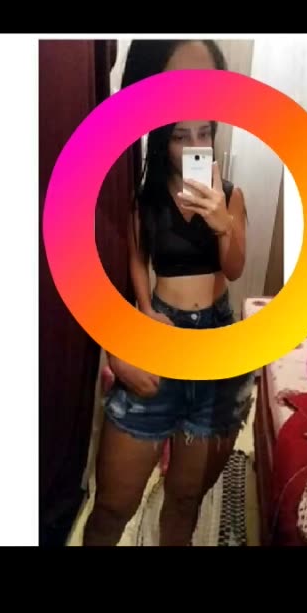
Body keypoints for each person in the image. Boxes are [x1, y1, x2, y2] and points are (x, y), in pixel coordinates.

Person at [84, 40, 254, 546]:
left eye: (204, 132)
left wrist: (223, 224)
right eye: (181, 136)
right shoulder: (144, 197)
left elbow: (235, 268)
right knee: (112, 506)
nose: (195, 145)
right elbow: (137, 257)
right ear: (164, 139)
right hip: (160, 333)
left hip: (217, 343)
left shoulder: (231, 196)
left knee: (185, 500)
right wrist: (142, 308)